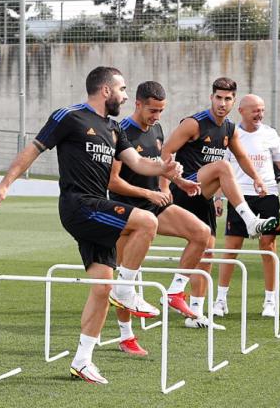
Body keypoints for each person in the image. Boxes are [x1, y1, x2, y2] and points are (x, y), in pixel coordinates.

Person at [0, 66, 184, 385]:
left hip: (99, 207)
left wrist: (166, 169)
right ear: (105, 90)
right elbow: (33, 150)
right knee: (146, 221)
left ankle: (82, 361)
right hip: (79, 205)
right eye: (122, 89)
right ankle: (127, 289)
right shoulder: (68, 116)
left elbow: (137, 163)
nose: (124, 95)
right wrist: (5, 183)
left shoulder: (113, 128)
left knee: (101, 287)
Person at [160, 77, 277, 330]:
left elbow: (243, 157)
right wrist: (169, 184)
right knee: (223, 166)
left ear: (234, 102)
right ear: (211, 97)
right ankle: (250, 220)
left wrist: (256, 178)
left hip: (202, 195)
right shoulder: (194, 123)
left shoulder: (230, 129)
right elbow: (165, 152)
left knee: (207, 252)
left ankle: (195, 313)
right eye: (218, 98)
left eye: (227, 99)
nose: (222, 103)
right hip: (184, 189)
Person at [107, 81, 208, 357]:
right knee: (126, 279)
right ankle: (126, 337)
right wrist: (148, 195)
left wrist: (180, 182)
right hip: (126, 211)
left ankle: (175, 292)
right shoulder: (120, 132)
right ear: (137, 104)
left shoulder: (158, 129)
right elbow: (113, 182)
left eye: (161, 111)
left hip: (155, 205)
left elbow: (161, 166)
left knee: (202, 233)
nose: (157, 116)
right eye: (153, 110)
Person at [212, 94, 280, 319]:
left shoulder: (270, 134)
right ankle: (220, 300)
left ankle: (270, 300)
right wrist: (217, 197)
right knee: (231, 248)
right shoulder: (231, 133)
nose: (260, 114)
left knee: (268, 246)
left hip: (267, 196)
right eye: (255, 110)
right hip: (239, 197)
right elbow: (221, 168)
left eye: (262, 110)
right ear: (242, 111)